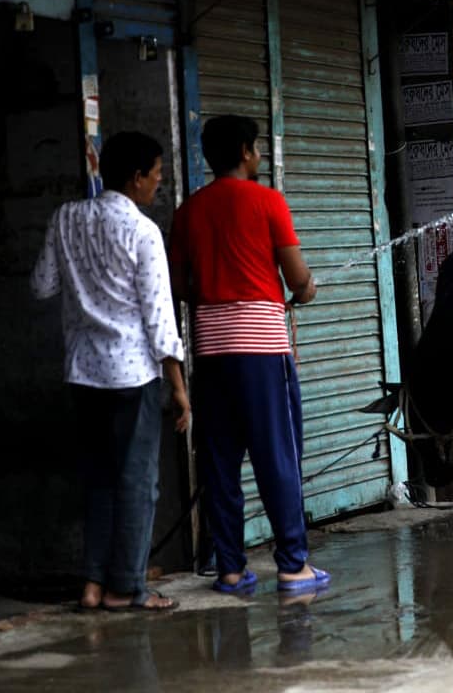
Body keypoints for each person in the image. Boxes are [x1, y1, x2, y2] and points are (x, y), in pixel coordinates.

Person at [168, 114, 326, 593]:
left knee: (219, 460)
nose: (259, 156)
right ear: (243, 151)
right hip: (261, 350)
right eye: (256, 148)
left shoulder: (188, 212)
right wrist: (306, 289)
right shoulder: (268, 201)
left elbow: (175, 287)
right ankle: (293, 565)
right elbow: (297, 278)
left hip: (210, 351)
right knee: (277, 456)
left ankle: (231, 569)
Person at [31, 131, 189, 611]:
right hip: (132, 377)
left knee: (98, 478)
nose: (158, 185)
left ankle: (94, 584)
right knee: (137, 481)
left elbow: (42, 285)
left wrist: (84, 291)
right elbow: (161, 322)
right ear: (136, 177)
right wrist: (180, 388)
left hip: (83, 373)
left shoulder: (65, 218)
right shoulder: (143, 232)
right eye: (157, 176)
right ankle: (127, 588)